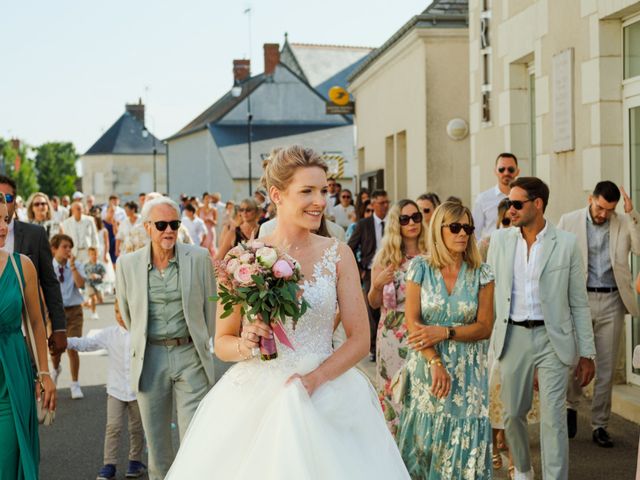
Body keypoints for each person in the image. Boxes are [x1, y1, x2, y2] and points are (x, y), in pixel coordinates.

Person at [165, 145, 409, 479]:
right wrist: (246, 342)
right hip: (255, 397)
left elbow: (359, 339)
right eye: (307, 191)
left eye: (323, 190)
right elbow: (221, 342)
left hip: (327, 393)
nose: (320, 201)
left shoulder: (338, 255)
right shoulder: (242, 258)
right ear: (277, 195)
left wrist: (314, 380)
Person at [487, 177, 596, 480]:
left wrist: (587, 352)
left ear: (538, 204)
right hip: (512, 337)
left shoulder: (567, 244)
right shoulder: (500, 241)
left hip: (553, 339)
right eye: (509, 203)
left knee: (553, 418)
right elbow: (489, 290)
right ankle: (522, 469)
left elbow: (578, 302)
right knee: (512, 414)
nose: (510, 209)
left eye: (517, 203)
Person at [116, 196, 229, 480]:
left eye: (174, 224)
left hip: (190, 356)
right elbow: (129, 314)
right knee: (158, 449)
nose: (169, 230)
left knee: (194, 441)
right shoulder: (127, 265)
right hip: (150, 359)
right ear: (147, 227)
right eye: (162, 224)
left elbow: (210, 306)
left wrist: (204, 342)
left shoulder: (199, 257)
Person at [396, 200, 494, 478]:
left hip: (468, 375)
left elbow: (485, 326)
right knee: (424, 446)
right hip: (427, 368)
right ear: (439, 230)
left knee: (463, 448)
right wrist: (435, 361)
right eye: (455, 227)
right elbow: (412, 320)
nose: (463, 233)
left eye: (468, 227)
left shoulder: (482, 273)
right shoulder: (420, 269)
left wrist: (446, 332)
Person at [558, 181, 640, 448]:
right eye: (600, 207)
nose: (603, 214)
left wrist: (631, 214)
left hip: (612, 300)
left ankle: (600, 425)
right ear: (591, 198)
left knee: (605, 366)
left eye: (609, 209)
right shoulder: (568, 221)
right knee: (572, 360)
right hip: (578, 301)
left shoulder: (621, 221)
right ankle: (570, 405)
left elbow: (639, 249)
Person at [0, 192, 57, 479]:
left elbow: (36, 322)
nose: (3, 227)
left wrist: (44, 373)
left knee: (7, 465)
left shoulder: (22, 266)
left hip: (11, 379)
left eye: (6, 219)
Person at [66, 301, 146, 480]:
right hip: (116, 390)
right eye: (116, 311)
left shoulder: (141, 332)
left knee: (136, 428)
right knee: (113, 427)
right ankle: (109, 464)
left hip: (137, 390)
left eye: (123, 311)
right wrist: (67, 342)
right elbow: (88, 343)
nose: (119, 315)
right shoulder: (111, 334)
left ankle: (135, 461)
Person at [368, 199, 427, 436]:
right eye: (405, 219)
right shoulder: (386, 258)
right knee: (393, 392)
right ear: (396, 224)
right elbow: (373, 302)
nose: (412, 222)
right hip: (392, 333)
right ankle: (395, 450)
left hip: (423, 330)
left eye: (416, 217)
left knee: (422, 390)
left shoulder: (431, 254)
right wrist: (377, 285)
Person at [0, 175, 67, 355]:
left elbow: (49, 282)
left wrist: (59, 327)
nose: (4, 202)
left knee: (32, 378)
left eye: (8, 198)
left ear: (15, 200)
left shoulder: (34, 234)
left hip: (26, 329)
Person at [348, 189, 390, 360]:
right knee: (372, 310)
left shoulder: (393, 223)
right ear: (373, 205)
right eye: (381, 203)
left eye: (387, 202)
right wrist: (359, 269)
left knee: (387, 308)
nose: (385, 206)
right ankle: (374, 348)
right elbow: (350, 247)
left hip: (391, 271)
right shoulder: (364, 224)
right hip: (370, 271)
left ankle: (386, 342)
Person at [50, 233, 86, 398]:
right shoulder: (48, 267)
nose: (68, 250)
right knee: (55, 350)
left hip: (74, 311)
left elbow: (81, 284)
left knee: (73, 346)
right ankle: (56, 368)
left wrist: (72, 267)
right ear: (54, 249)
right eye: (64, 247)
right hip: (55, 312)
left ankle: (75, 383)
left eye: (70, 247)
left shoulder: (76, 265)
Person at [473, 153, 520, 240]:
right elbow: (475, 233)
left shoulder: (523, 198)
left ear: (518, 171)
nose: (506, 173)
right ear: (495, 171)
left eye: (511, 169)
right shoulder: (482, 199)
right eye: (502, 169)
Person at [94, 214, 115, 295]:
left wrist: (105, 254)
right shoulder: (93, 230)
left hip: (103, 250)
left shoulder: (104, 230)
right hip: (96, 251)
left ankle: (107, 287)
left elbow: (107, 243)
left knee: (106, 269)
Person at [84, 246, 106, 321]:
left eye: (95, 254)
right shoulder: (86, 265)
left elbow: (104, 275)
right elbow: (83, 275)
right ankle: (94, 312)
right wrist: (89, 276)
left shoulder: (100, 265)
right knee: (93, 297)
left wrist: (98, 276)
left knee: (101, 300)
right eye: (92, 254)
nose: (94, 256)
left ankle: (89, 302)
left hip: (99, 285)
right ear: (89, 255)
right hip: (89, 284)